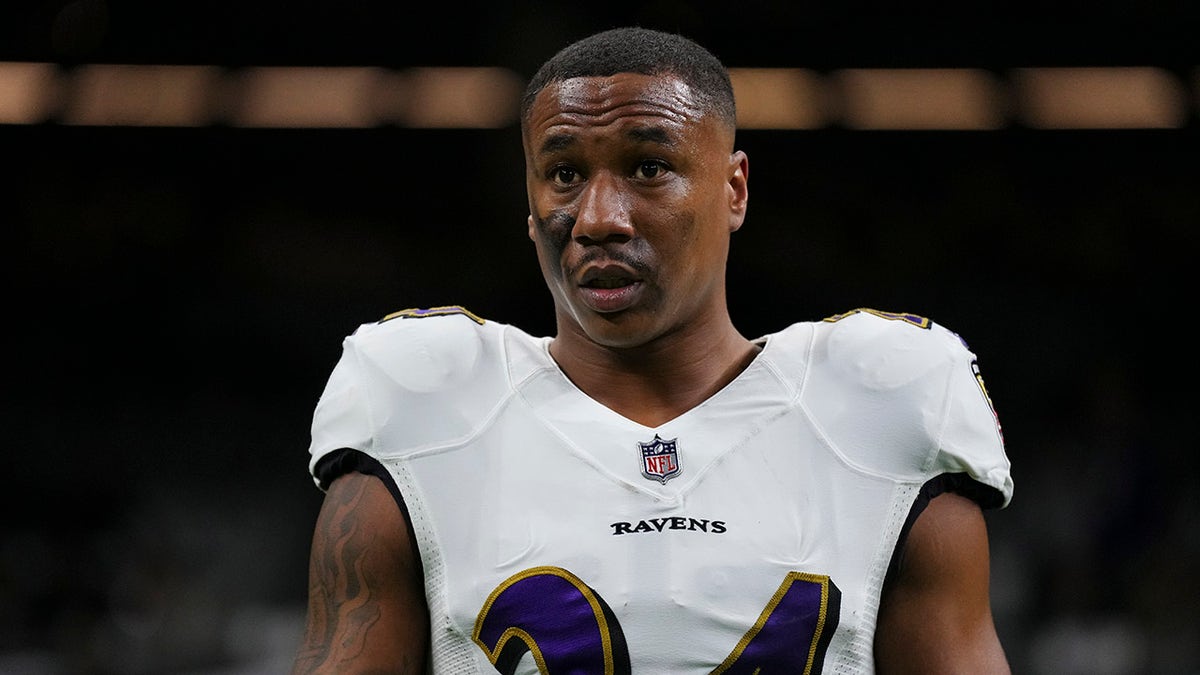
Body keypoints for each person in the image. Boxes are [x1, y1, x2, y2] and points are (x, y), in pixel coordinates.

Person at [291, 26, 1014, 674]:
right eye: (566, 173)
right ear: (530, 195)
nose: (599, 218)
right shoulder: (419, 399)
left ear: (734, 190)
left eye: (648, 168)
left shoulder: (884, 400)